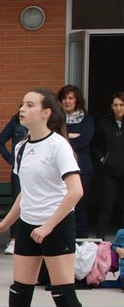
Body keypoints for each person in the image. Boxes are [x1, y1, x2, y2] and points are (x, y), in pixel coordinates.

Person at [0, 88, 92, 307]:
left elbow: (75, 192)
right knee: (19, 293)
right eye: (22, 104)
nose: (23, 109)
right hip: (30, 227)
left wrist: (48, 226)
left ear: (45, 113)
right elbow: (25, 194)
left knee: (63, 295)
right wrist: (6, 224)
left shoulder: (59, 146)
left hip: (56, 227)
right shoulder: (21, 147)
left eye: (30, 105)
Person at [58, 84, 94, 237]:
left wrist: (65, 140)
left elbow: (85, 140)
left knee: (80, 205)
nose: (67, 101)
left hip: (83, 168)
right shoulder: (57, 120)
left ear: (77, 100)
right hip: (61, 169)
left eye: (71, 98)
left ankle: (81, 239)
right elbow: (54, 140)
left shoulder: (87, 120)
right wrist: (70, 137)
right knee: (62, 204)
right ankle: (65, 237)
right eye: (64, 98)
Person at [0, 109, 30, 255]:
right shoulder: (16, 123)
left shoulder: (47, 125)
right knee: (18, 202)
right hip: (19, 170)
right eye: (24, 105)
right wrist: (11, 159)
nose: (24, 109)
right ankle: (14, 240)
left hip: (38, 169)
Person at [93, 92, 124, 238]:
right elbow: (95, 144)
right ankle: (100, 239)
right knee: (107, 206)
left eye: (122, 105)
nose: (119, 108)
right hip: (109, 171)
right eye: (116, 105)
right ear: (111, 107)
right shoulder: (104, 123)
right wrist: (102, 158)